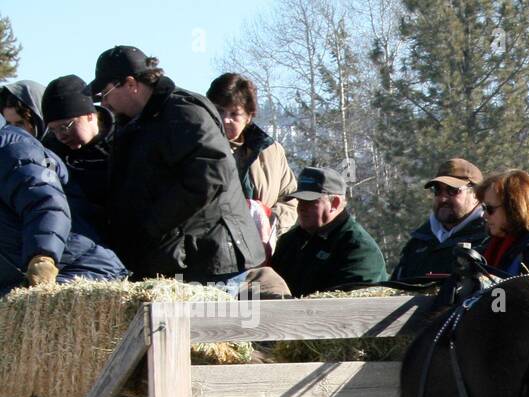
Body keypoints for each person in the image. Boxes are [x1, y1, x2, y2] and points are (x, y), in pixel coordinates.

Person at [89, 46, 265, 283]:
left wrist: (152, 224)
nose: (105, 103)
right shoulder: (135, 123)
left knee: (208, 321)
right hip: (177, 258)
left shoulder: (183, 113)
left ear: (131, 84)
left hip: (212, 260)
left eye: (106, 93)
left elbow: (211, 175)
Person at [1, 81, 127, 294]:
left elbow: (46, 203)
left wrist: (42, 256)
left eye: (22, 123)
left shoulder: (15, 151)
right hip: (32, 270)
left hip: (78, 268)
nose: (19, 130)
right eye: (10, 122)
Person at [205, 73, 297, 249]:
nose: (225, 119)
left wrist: (270, 220)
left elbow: (290, 197)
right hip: (209, 251)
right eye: (219, 111)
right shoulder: (194, 148)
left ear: (248, 116)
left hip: (258, 250)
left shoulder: (270, 151)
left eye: (234, 113)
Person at [271, 166, 387, 296]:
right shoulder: (290, 242)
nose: (301, 207)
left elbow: (352, 304)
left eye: (310, 201)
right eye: (299, 201)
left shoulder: (359, 249)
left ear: (335, 203)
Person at [41, 75, 115, 238]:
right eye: (53, 130)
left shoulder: (125, 140)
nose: (61, 136)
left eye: (65, 126)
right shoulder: (49, 153)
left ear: (90, 115)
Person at [391, 157, 488, 281]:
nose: (442, 199)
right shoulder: (419, 241)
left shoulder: (488, 238)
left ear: (476, 194)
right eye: (437, 190)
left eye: (452, 191)